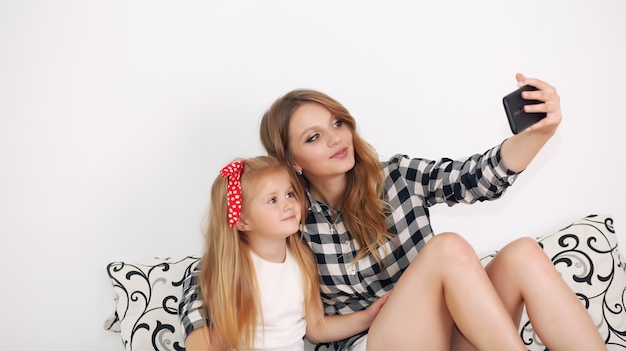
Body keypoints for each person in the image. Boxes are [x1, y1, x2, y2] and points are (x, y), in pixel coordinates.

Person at [181, 74, 607, 351]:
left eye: (337, 123)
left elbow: (474, 178)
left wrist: (540, 132)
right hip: (376, 344)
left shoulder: (396, 176)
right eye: (314, 137)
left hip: (445, 336)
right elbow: (221, 268)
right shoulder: (291, 216)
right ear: (291, 161)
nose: (335, 139)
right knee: (446, 249)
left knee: (523, 254)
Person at [183, 155, 389, 351]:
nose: (288, 204)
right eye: (272, 200)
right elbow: (219, 339)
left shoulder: (302, 258)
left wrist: (367, 317)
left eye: (289, 194)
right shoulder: (237, 268)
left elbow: (317, 328)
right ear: (242, 221)